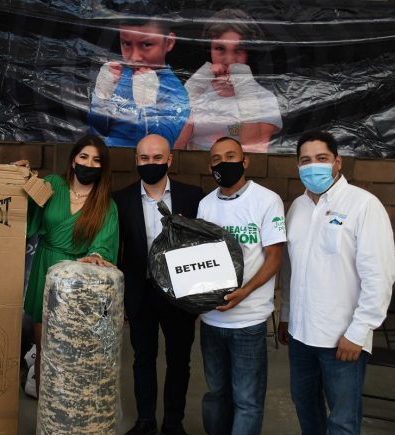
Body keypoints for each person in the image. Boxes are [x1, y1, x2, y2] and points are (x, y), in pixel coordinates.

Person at [278, 131, 395, 435]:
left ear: (337, 162)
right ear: (297, 166)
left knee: (343, 421)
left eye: (321, 158)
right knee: (306, 409)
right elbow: (290, 269)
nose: (313, 166)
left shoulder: (363, 205)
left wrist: (359, 331)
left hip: (342, 339)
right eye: (305, 160)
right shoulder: (297, 208)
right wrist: (286, 314)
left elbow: (380, 275)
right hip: (301, 335)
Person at [194, 137, 285, 435]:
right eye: (216, 159)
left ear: (245, 161)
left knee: (247, 399)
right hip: (212, 318)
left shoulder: (267, 200)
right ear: (210, 166)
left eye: (231, 156)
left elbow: (274, 258)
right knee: (217, 394)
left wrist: (245, 292)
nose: (224, 163)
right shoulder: (206, 205)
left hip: (248, 320)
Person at [114, 134, 204, 435]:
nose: (150, 163)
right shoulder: (121, 199)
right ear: (136, 160)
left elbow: (204, 245)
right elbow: (117, 247)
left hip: (180, 296)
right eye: (144, 158)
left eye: (157, 158)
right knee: (143, 358)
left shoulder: (193, 197)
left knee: (179, 361)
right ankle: (146, 420)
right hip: (140, 292)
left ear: (169, 160)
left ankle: (173, 425)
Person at [19, 134, 119, 394]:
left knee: (73, 352)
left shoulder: (106, 205)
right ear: (73, 161)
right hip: (45, 269)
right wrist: (22, 178)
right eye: (84, 157)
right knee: (44, 349)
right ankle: (45, 411)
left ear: (103, 167)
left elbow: (104, 243)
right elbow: (27, 213)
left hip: (78, 281)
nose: (89, 164)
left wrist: (96, 254)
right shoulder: (53, 184)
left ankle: (70, 409)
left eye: (96, 160)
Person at [174, 9, 282, 153]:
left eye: (238, 50)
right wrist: (193, 89)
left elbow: (253, 153)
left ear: (249, 52)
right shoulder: (196, 90)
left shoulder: (265, 99)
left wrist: (246, 90)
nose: (229, 60)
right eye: (220, 48)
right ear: (208, 50)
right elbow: (175, 148)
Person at [87, 18, 189, 148]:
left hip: (138, 161)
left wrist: (147, 107)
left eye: (146, 44)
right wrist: (101, 98)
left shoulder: (175, 92)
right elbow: (96, 135)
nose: (135, 57)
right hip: (107, 158)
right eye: (126, 43)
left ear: (169, 42)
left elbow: (158, 149)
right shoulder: (119, 77)